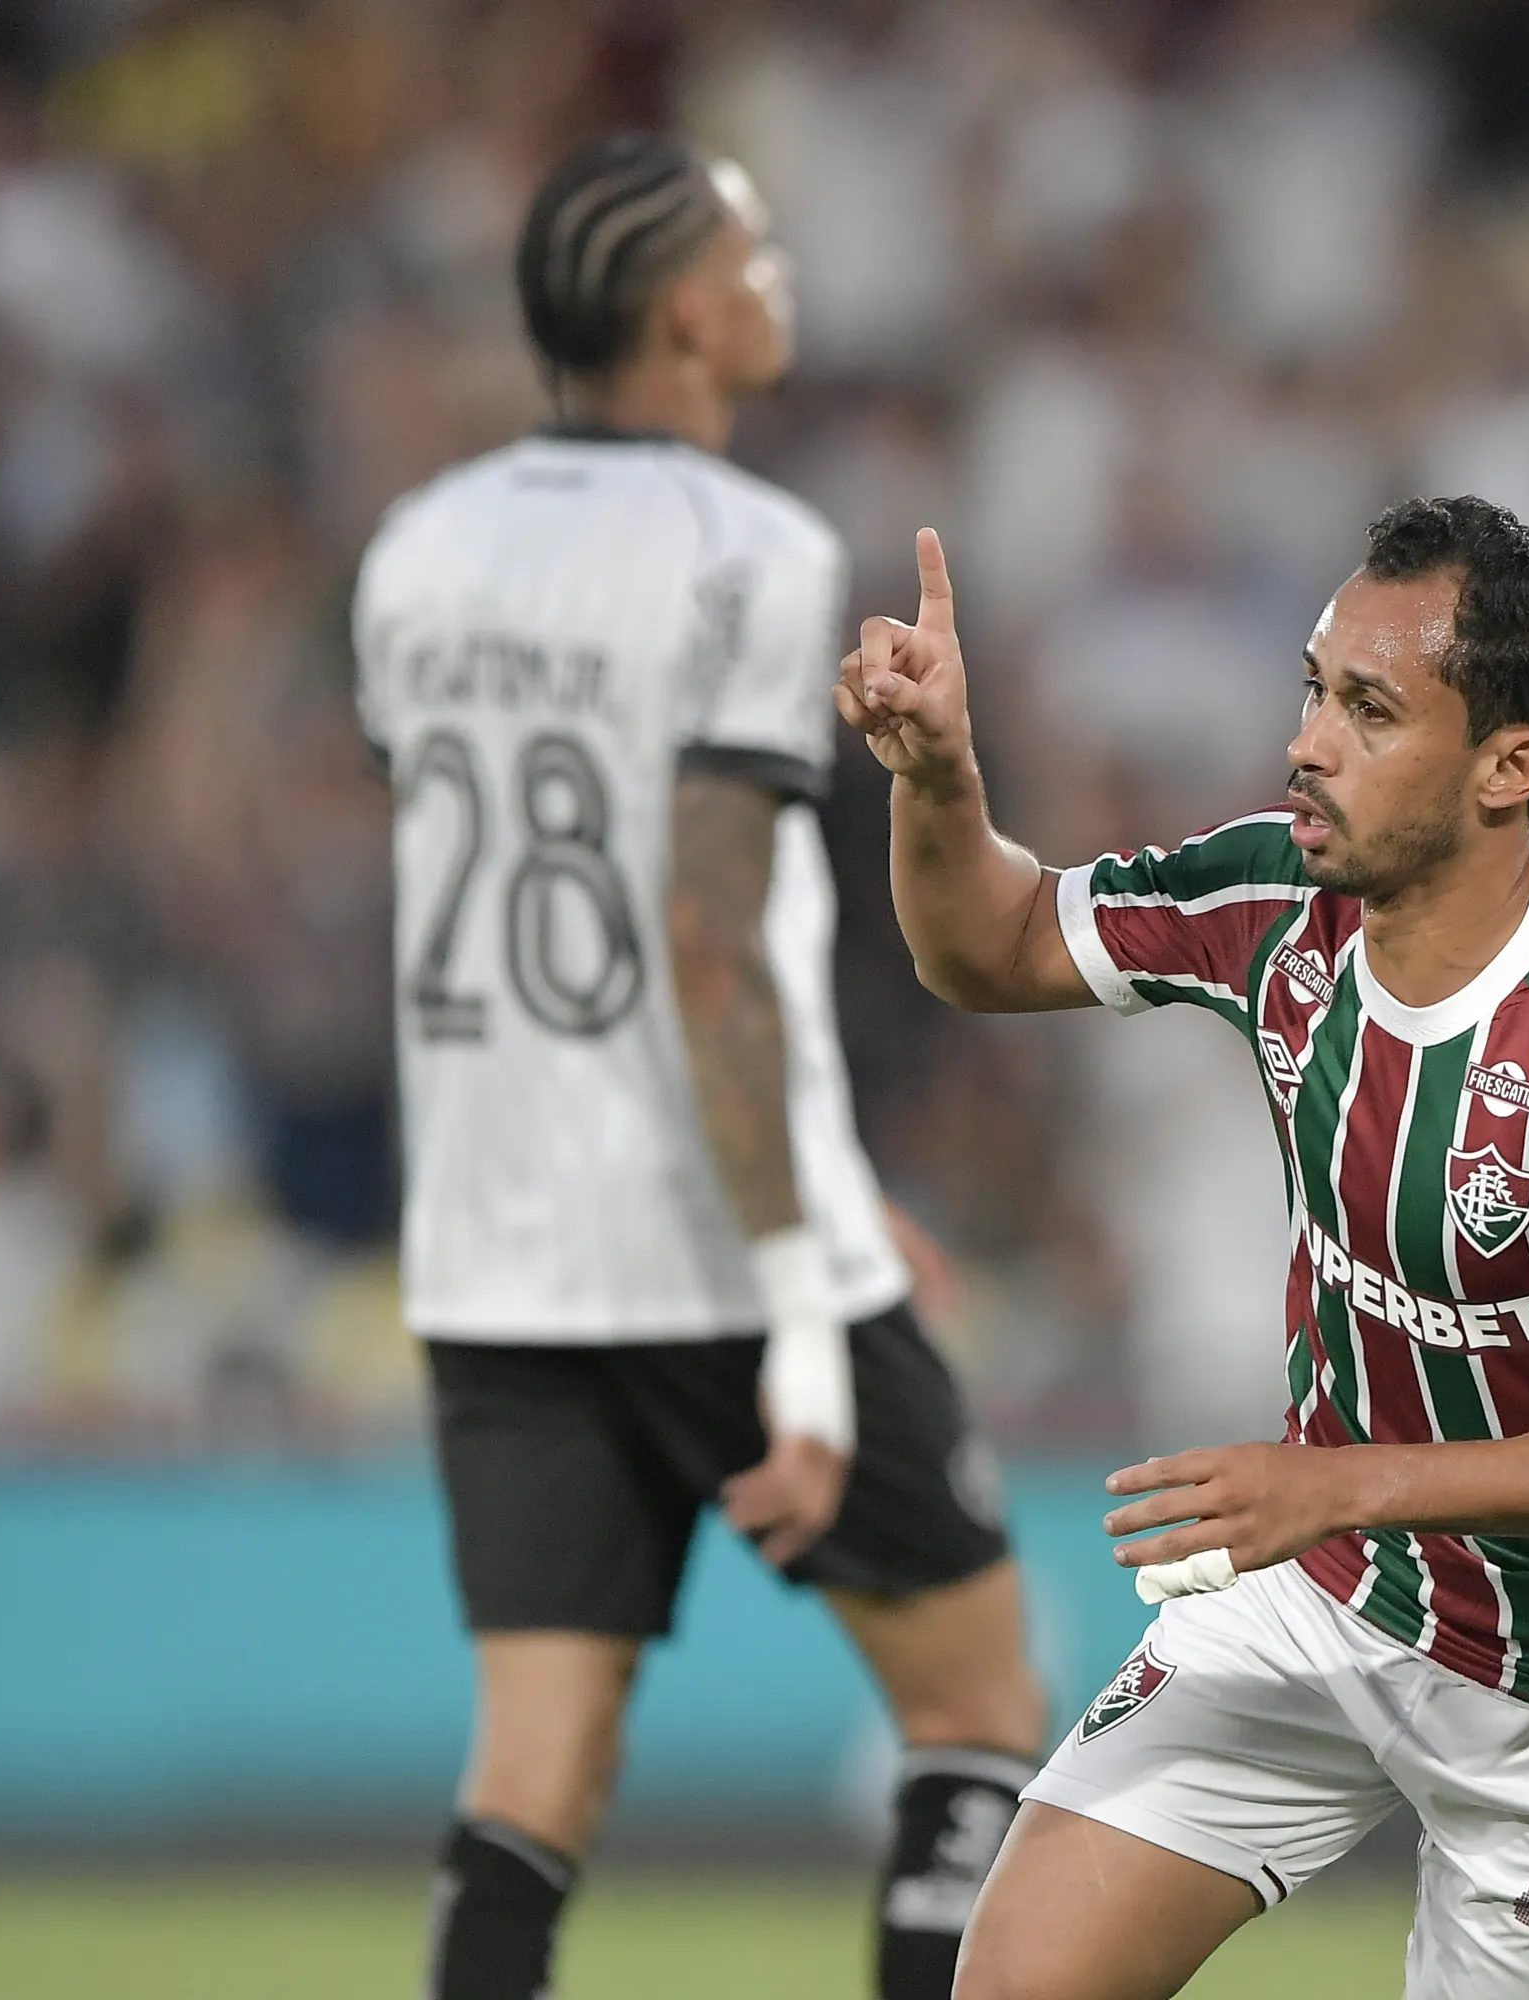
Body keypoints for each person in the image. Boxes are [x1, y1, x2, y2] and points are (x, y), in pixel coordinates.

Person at [842, 497, 1529, 1999]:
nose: (1305, 743)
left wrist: (1344, 1478)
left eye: (1368, 709)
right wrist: (940, 779)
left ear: (1510, 767)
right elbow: (990, 944)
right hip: (1340, 1583)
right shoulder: (1281, 901)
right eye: (1311, 687)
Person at [352, 133, 1044, 2000]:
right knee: (978, 1703)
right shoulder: (746, 551)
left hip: (497, 1237)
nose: (781, 273)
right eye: (754, 248)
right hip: (726, 1238)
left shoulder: (418, 549)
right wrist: (808, 1307)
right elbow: (714, 944)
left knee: (539, 1766)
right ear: (683, 311)